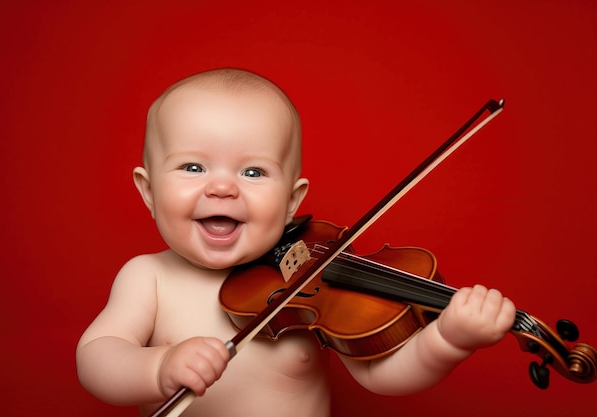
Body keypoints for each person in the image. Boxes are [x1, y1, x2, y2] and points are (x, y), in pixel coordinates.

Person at [76, 68, 516, 417]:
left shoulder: (309, 283)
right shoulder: (149, 277)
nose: (223, 188)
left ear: (292, 202)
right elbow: (98, 358)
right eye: (193, 167)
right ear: (148, 191)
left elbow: (380, 375)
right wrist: (158, 368)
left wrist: (448, 340)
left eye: (253, 172)